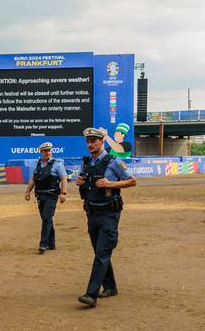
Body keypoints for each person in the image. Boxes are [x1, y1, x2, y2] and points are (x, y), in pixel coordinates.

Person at [75, 128, 137, 307]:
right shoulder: (86, 163)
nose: (90, 144)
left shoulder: (113, 161)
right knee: (100, 252)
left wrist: (111, 183)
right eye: (88, 141)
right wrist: (80, 183)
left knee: (102, 253)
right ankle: (110, 287)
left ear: (101, 142)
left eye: (93, 141)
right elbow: (86, 185)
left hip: (109, 214)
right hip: (92, 213)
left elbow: (132, 181)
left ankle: (91, 294)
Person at [24, 142, 68, 253]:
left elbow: (63, 179)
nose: (48, 152)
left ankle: (43, 244)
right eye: (45, 151)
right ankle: (51, 244)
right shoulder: (37, 164)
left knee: (46, 218)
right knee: (47, 219)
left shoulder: (57, 164)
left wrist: (63, 193)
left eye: (49, 150)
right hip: (40, 196)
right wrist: (28, 191)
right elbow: (33, 179)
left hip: (51, 196)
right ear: (41, 152)